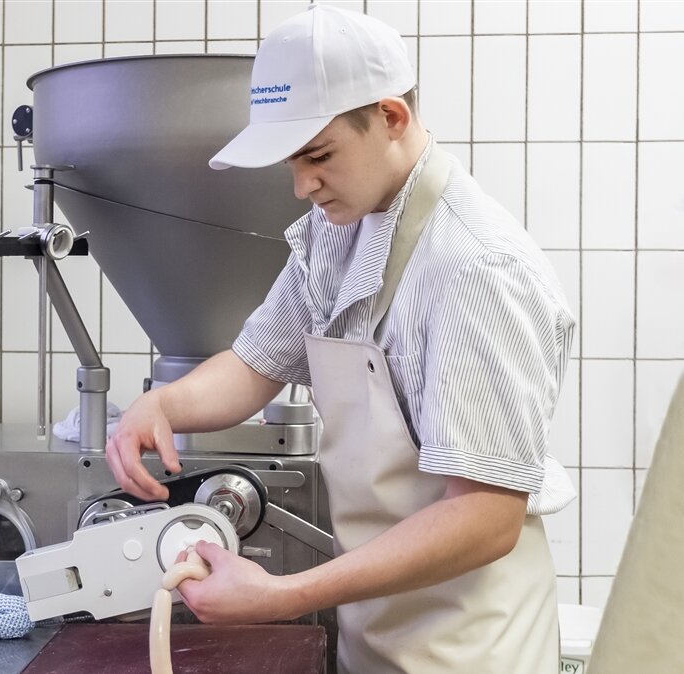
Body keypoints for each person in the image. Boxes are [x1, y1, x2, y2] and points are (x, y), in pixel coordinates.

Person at [104, 5, 577, 673]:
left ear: (391, 118)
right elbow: (257, 362)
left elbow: (486, 517)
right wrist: (164, 406)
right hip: (378, 635)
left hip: (471, 647)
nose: (302, 186)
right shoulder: (338, 231)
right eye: (290, 163)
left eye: (320, 156)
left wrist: (282, 596)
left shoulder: (478, 270)